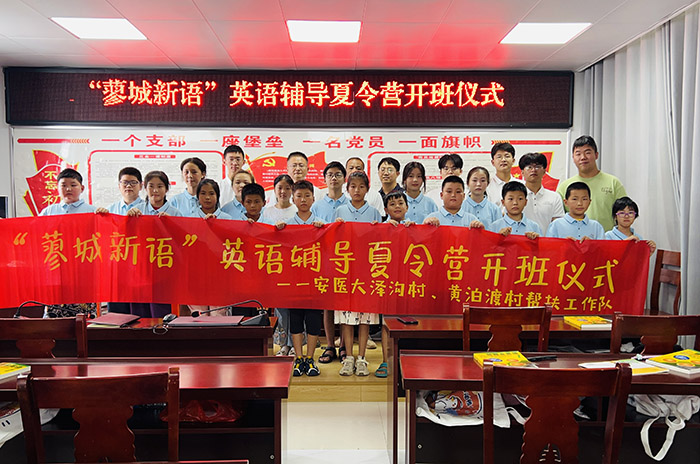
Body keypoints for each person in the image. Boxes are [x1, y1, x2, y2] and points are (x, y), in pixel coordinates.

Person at [274, 180, 325, 376]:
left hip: (315, 282)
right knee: (295, 320)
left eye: (307, 196)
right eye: (299, 196)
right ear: (293, 199)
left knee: (313, 320)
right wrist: (278, 232)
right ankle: (298, 358)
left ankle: (310, 358)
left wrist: (324, 229)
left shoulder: (321, 223)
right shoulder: (286, 225)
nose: (303, 200)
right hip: (294, 282)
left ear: (313, 198)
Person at [334, 171, 381, 376]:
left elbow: (381, 241)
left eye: (361, 186)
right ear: (347, 189)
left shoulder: (374, 213)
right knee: (346, 317)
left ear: (367, 189)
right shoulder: (340, 210)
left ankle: (362, 358)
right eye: (353, 186)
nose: (357, 190)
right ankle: (348, 358)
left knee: (364, 318)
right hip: (345, 271)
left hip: (367, 272)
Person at [126, 171, 181, 318]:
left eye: (160, 186)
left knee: (162, 316)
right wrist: (129, 220)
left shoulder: (175, 213)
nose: (155, 190)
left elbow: (181, 244)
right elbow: (125, 239)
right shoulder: (136, 211)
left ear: (167, 189)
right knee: (139, 317)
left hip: (164, 272)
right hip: (140, 271)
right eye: (151, 186)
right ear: (144, 187)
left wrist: (172, 224)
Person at [310, 161, 349, 363]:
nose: (334, 178)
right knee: (327, 306)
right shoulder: (317, 205)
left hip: (346, 260)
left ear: (344, 179)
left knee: (344, 305)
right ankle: (330, 345)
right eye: (330, 175)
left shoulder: (350, 203)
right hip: (324, 259)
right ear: (324, 179)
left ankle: (344, 346)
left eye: (338, 174)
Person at [95, 167, 146, 315]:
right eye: (125, 182)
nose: (128, 186)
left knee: (141, 313)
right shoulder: (110, 210)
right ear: (119, 186)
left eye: (133, 182)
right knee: (118, 313)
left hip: (141, 267)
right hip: (117, 268)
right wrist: (100, 219)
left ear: (141, 185)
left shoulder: (148, 208)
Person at [556, 135, 627, 232]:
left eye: (587, 153)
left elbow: (624, 214)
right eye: (578, 154)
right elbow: (559, 219)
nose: (583, 157)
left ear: (596, 155)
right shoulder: (564, 187)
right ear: (573, 157)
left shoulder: (613, 183)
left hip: (606, 239)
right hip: (574, 239)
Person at [518, 152, 564, 235]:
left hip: (546, 242)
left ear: (544, 171)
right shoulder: (516, 197)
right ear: (522, 172)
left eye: (538, 166)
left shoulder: (554, 197)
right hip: (520, 241)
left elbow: (558, 226)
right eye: (529, 167)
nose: (533, 170)